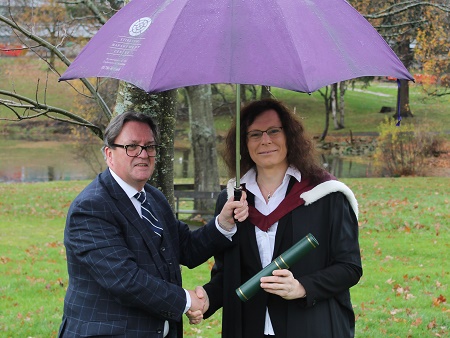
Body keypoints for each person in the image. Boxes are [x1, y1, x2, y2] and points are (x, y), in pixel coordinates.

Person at [58, 111, 248, 338]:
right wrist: (187, 301)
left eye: (149, 146)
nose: (143, 154)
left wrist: (223, 223)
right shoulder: (91, 208)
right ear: (109, 154)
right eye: (132, 146)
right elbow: (125, 280)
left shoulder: (153, 198)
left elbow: (186, 248)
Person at [187, 99, 362, 337]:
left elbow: (349, 267)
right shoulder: (233, 201)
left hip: (312, 325)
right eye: (255, 134)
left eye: (273, 131)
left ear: (289, 135)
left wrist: (302, 287)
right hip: (249, 328)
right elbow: (229, 273)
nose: (265, 140)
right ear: (244, 143)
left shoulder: (325, 195)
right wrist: (207, 298)